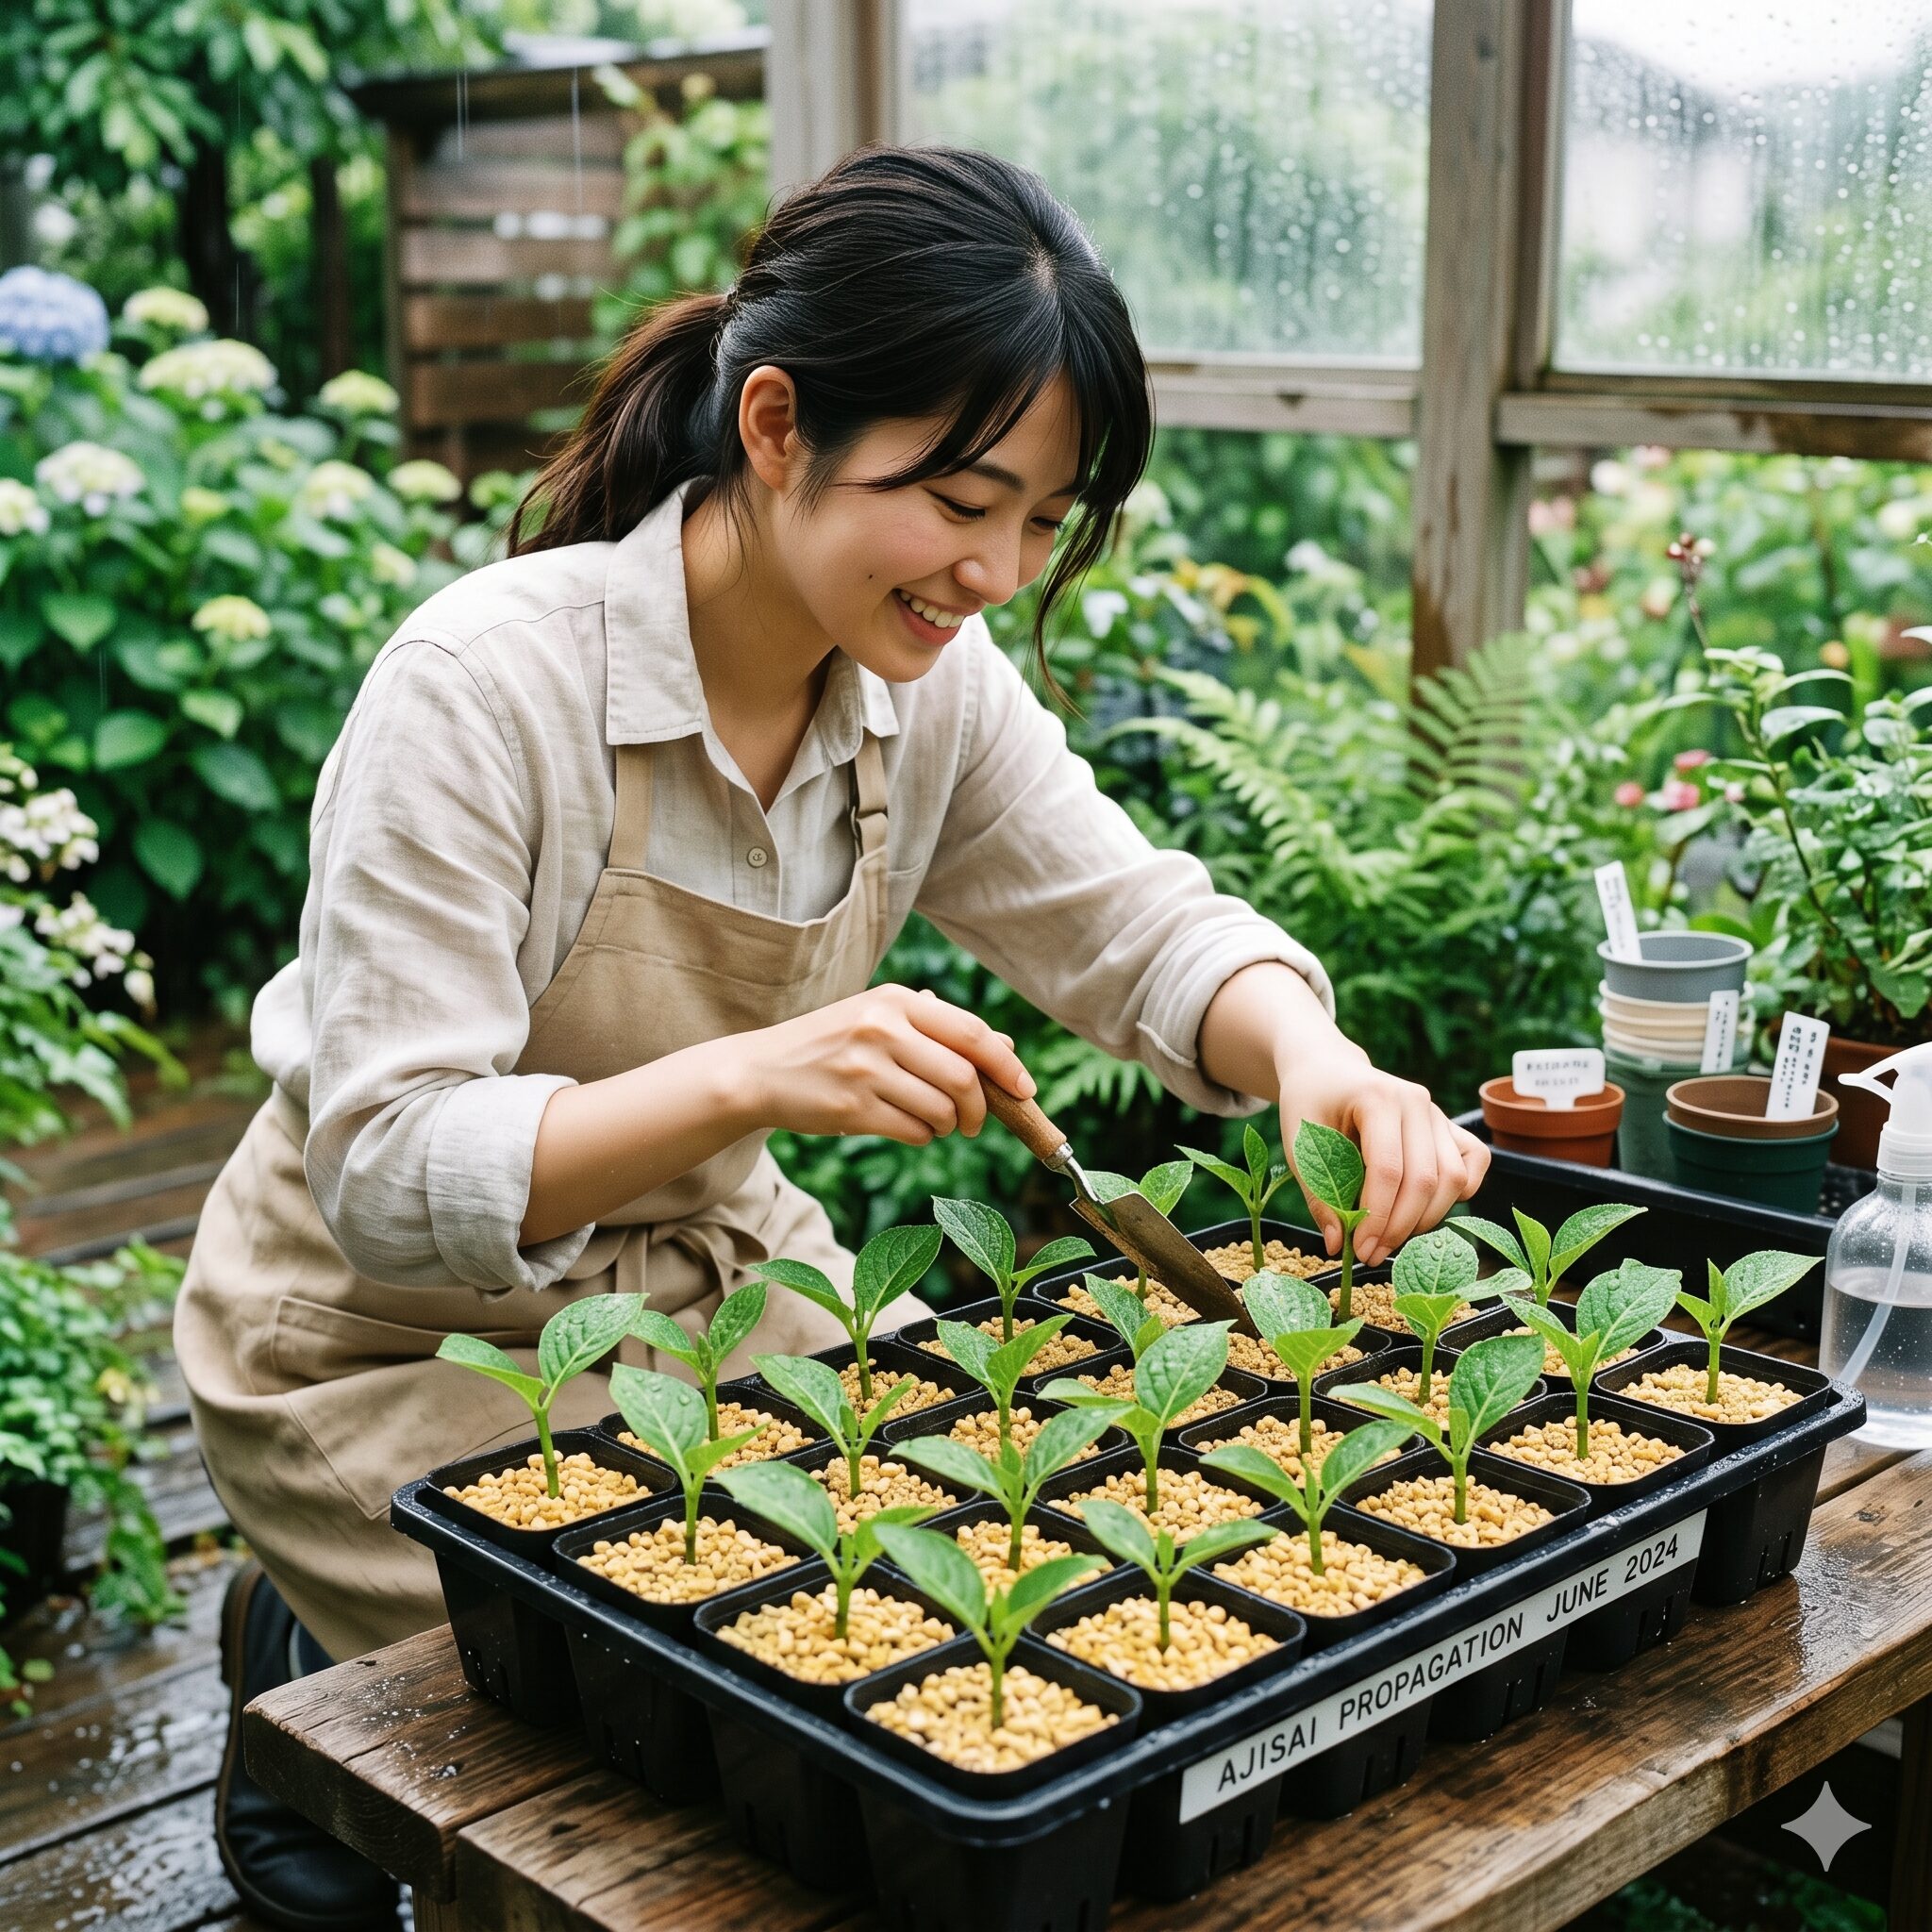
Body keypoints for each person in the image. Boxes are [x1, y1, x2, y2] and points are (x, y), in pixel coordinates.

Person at [178, 144, 1489, 1928]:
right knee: (647, 1769)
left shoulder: (922, 690)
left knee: (875, 1656)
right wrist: (757, 1075)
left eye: (1043, 520)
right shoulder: (482, 690)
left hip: (711, 1286)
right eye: (964, 499)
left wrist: (1312, 1060)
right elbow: (394, 1169)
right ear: (778, 423)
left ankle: (337, 1644)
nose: (996, 571)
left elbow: (1135, 924)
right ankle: (316, 1672)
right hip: (396, 1332)